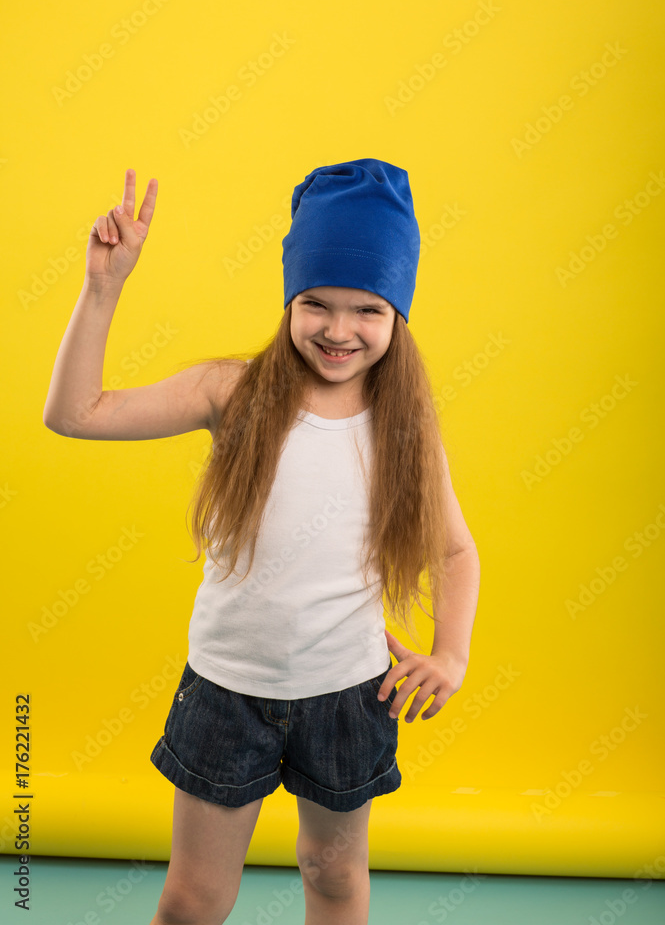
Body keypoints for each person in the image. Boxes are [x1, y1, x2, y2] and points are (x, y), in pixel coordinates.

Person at [43, 159, 480, 925]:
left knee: (335, 882)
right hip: (224, 694)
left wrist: (451, 653)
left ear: (397, 314)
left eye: (366, 310)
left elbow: (452, 552)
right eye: (315, 304)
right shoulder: (230, 391)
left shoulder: (407, 426)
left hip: (348, 696)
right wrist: (103, 287)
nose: (338, 330)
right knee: (192, 899)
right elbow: (76, 412)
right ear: (288, 301)